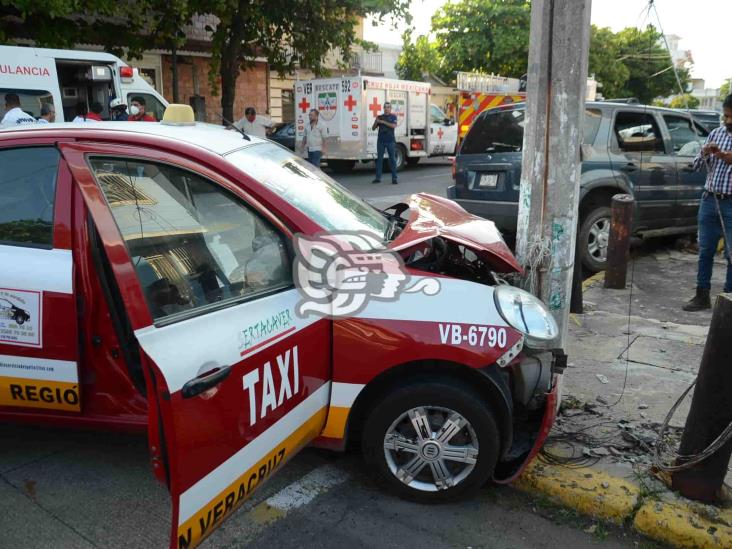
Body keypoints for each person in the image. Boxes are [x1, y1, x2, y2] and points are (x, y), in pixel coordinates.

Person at [682, 93, 732, 311]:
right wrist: (704, 153)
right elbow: (696, 166)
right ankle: (702, 295)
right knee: (705, 250)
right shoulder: (716, 133)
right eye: (726, 117)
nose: (728, 122)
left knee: (731, 253)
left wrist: (724, 156)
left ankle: (728, 301)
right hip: (710, 200)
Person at [371, 101, 398, 184]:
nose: (386, 109)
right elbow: (373, 128)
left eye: (388, 107)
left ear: (390, 109)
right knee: (379, 160)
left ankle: (394, 178)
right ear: (383, 108)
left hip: (390, 141)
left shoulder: (393, 117)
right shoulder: (380, 117)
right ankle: (378, 178)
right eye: (385, 107)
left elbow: (393, 126)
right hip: (381, 141)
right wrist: (376, 121)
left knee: (392, 160)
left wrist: (383, 122)